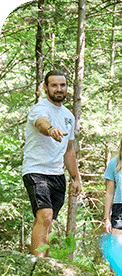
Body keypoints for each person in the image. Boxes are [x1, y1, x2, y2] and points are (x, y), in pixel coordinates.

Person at [22, 70, 81, 257]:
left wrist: (75, 178)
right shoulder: (40, 108)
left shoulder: (69, 116)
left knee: (46, 221)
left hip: (57, 175)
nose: (59, 89)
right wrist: (51, 130)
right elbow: (41, 124)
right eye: (54, 85)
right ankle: (38, 266)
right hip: (36, 170)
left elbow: (69, 150)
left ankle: (41, 263)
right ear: (46, 87)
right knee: (45, 215)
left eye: (62, 85)